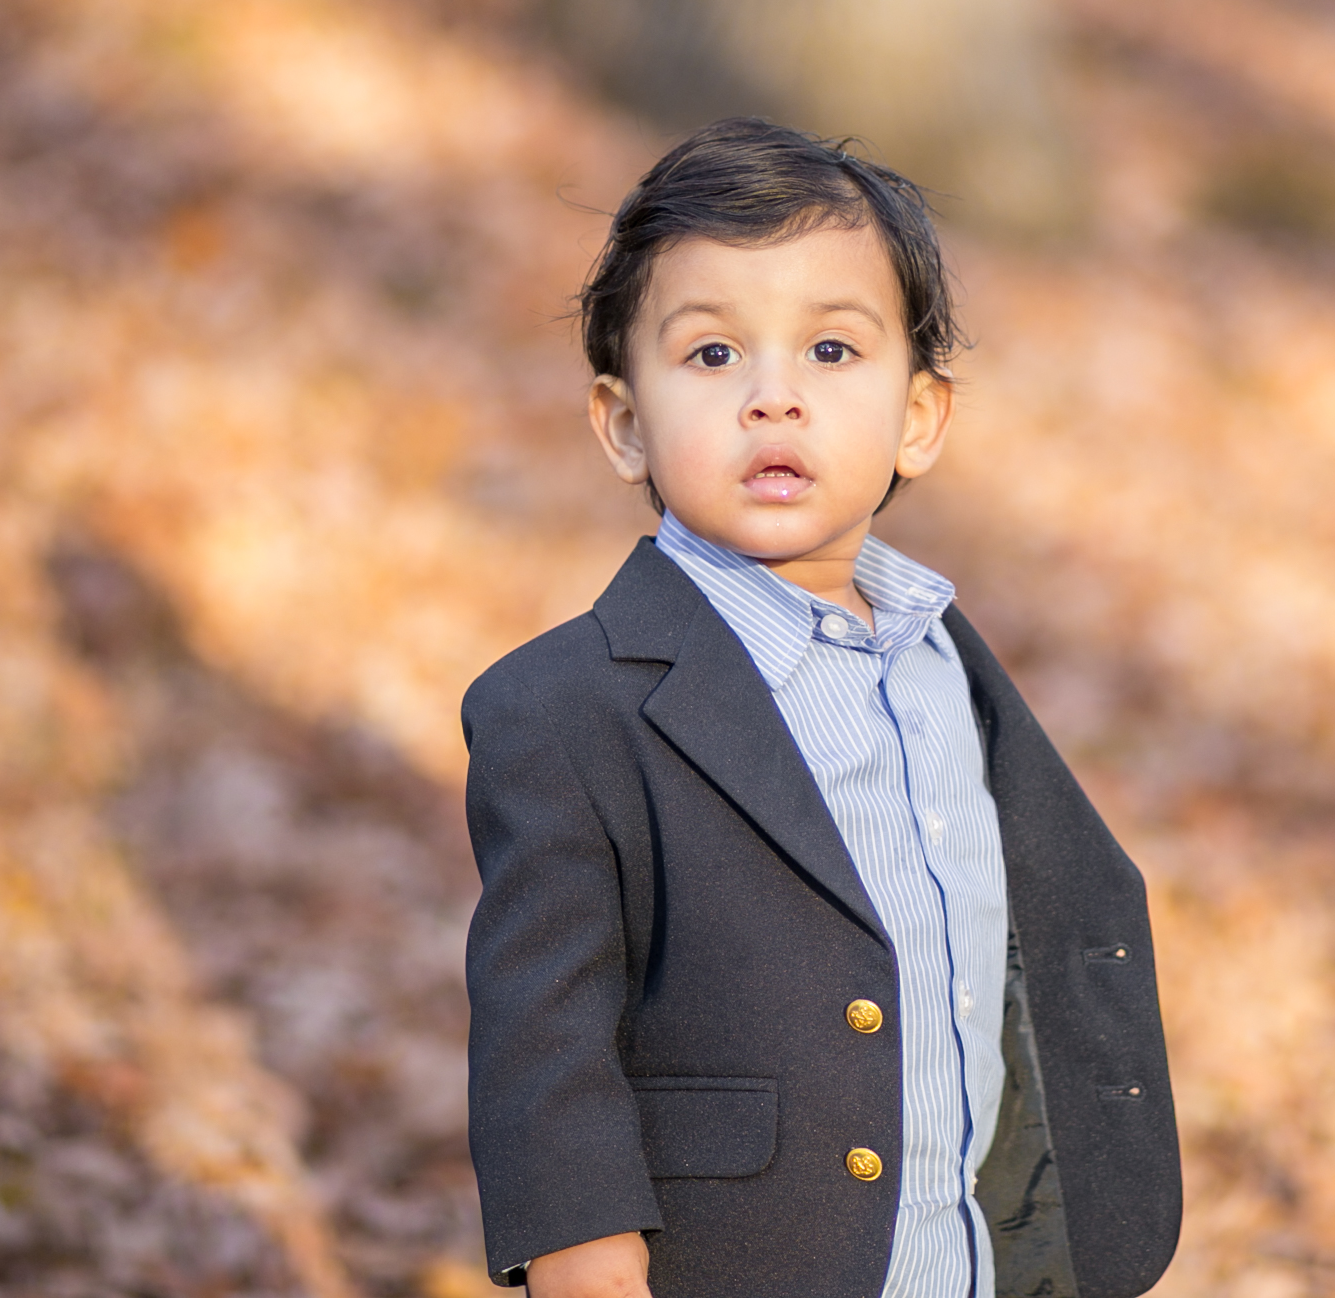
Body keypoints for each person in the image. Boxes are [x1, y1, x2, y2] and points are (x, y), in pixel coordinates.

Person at [462, 118, 1180, 1298]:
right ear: (624, 420)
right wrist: (586, 1267)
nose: (773, 399)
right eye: (711, 357)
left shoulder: (949, 662)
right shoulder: (566, 708)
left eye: (833, 353)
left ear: (920, 416)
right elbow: (548, 1047)